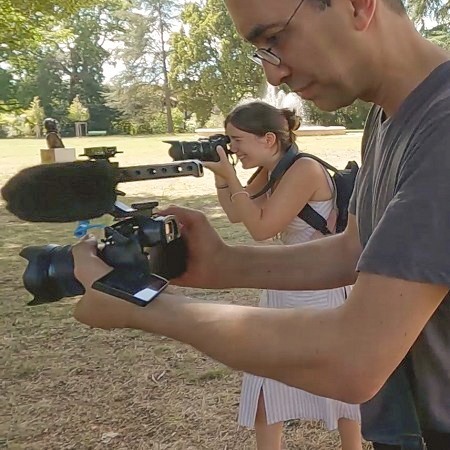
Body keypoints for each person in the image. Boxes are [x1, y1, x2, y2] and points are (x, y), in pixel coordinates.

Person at [71, 0, 450, 448]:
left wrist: (143, 305)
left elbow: (354, 358)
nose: (274, 74)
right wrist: (225, 263)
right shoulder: (389, 114)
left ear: (357, 5)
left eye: (274, 39)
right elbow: (357, 249)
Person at [202, 101, 361, 450]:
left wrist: (231, 177)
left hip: (319, 287)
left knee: (338, 382)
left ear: (269, 139)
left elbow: (261, 228)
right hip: (284, 286)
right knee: (266, 384)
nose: (233, 149)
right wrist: (221, 175)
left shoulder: (302, 170)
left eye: (237, 140)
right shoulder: (270, 171)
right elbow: (234, 212)